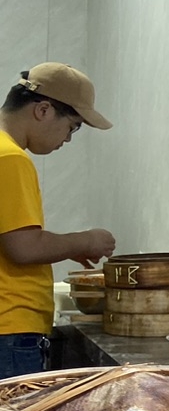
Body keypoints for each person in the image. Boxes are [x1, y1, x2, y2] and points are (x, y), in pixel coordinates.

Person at [0, 64, 116, 380]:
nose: (67, 138)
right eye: (72, 126)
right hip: (10, 330)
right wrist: (85, 240)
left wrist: (67, 248)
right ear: (43, 110)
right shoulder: (10, 158)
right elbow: (23, 247)